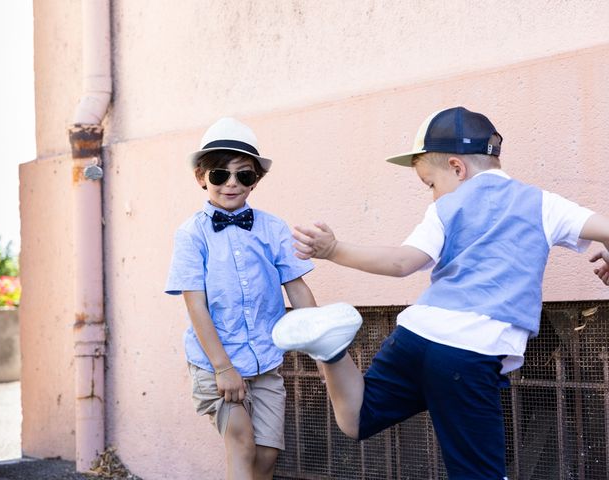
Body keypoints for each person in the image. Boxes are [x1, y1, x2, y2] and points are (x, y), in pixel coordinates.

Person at [272, 106, 609, 480]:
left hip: (416, 336)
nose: (433, 196)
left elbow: (402, 263)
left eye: (430, 184)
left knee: (358, 418)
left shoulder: (446, 208)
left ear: (457, 168)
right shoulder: (543, 204)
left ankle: (331, 351)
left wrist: (333, 250)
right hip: (469, 351)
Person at [165, 117, 317, 480]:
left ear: (256, 180)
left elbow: (296, 287)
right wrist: (223, 368)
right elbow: (195, 305)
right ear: (201, 177)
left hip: (264, 359)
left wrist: (324, 347)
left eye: (244, 175)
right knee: (242, 443)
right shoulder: (191, 235)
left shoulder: (273, 228)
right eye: (220, 175)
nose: (232, 183)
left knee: (265, 457)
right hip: (216, 361)